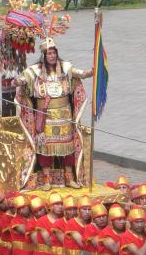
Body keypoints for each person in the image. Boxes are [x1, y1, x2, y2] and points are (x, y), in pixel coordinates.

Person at [16, 37, 92, 190]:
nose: (51, 56)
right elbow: (24, 79)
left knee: (68, 148)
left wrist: (93, 71)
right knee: (45, 148)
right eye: (48, 53)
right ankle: (46, 180)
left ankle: (69, 178)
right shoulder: (35, 71)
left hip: (65, 116)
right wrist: (20, 82)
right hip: (45, 117)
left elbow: (82, 74)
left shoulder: (66, 68)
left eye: (53, 53)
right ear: (44, 55)